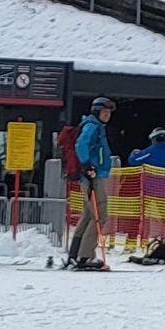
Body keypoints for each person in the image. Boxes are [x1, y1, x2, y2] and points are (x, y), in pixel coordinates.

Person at [66, 97, 116, 269]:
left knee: (88, 215)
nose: (107, 115)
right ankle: (85, 256)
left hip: (92, 174)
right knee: (100, 216)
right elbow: (81, 144)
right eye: (104, 112)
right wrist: (88, 166)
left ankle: (75, 254)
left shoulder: (96, 126)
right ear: (96, 112)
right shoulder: (92, 126)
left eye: (109, 112)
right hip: (93, 176)